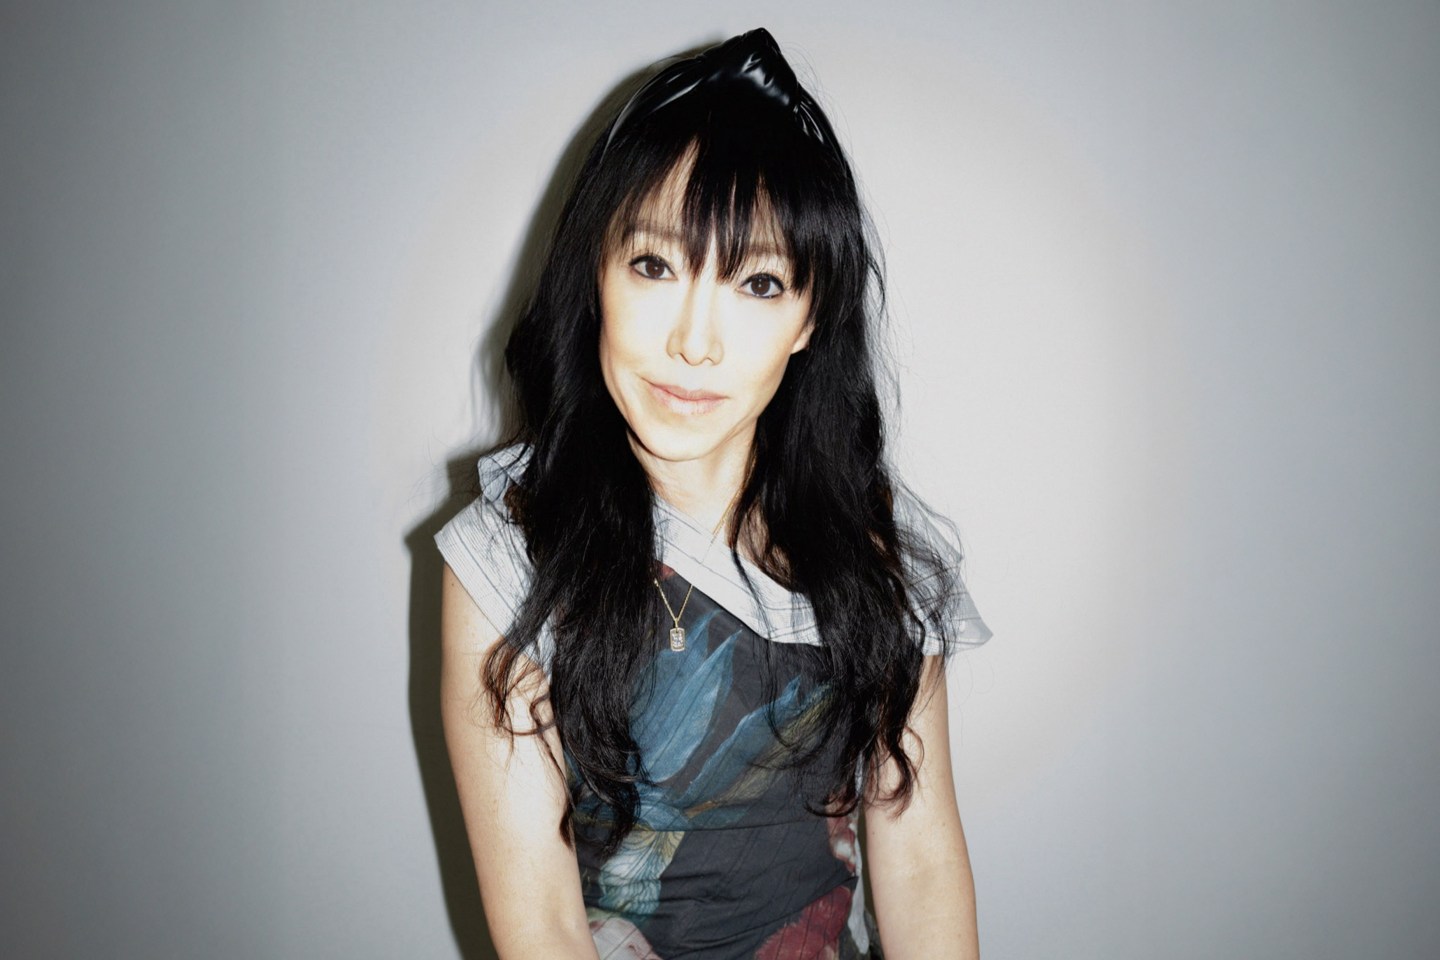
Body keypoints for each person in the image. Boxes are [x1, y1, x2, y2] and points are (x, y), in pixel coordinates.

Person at [435, 28, 992, 959]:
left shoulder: (874, 553)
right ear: (596, 274)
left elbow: (923, 859)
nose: (695, 342)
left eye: (758, 283)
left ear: (811, 317)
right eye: (655, 266)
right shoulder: (509, 557)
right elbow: (542, 929)